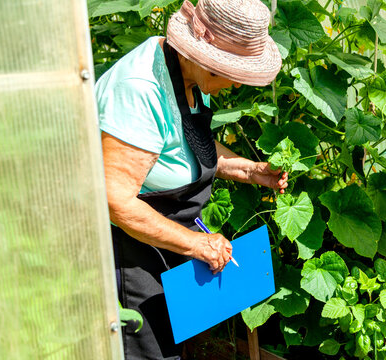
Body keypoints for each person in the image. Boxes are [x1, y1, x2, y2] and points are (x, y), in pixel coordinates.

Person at [94, 0, 286, 358]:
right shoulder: (139, 90)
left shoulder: (187, 73)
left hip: (164, 249)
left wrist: (248, 170)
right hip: (128, 253)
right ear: (199, 54)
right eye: (228, 71)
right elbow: (115, 201)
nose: (232, 82)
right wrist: (197, 244)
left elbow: (182, 142)